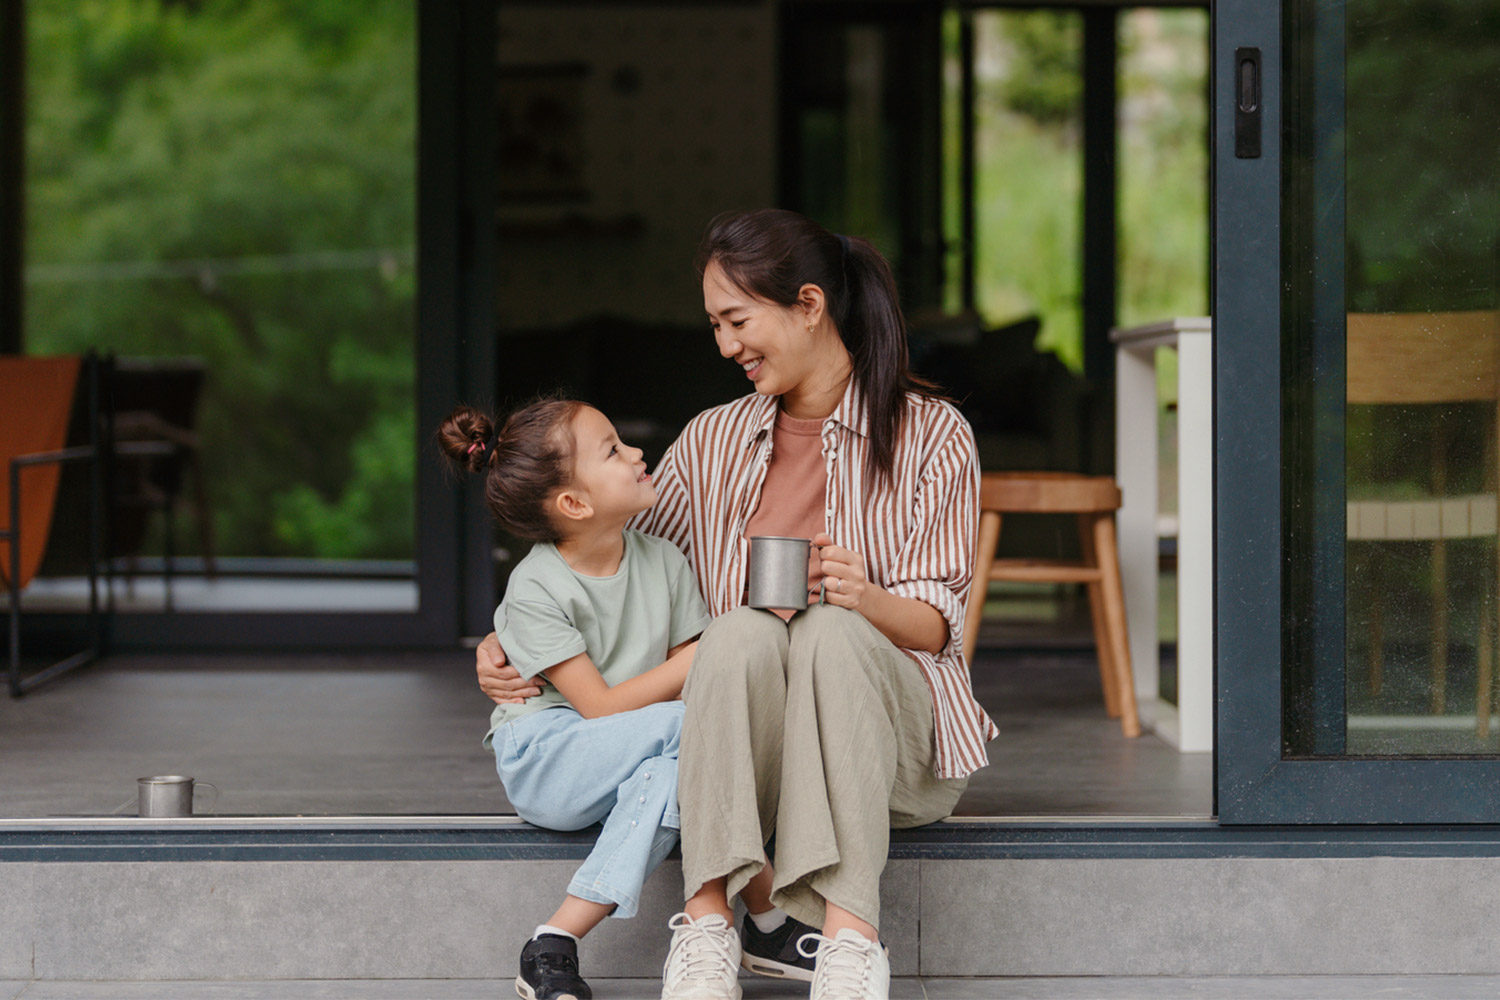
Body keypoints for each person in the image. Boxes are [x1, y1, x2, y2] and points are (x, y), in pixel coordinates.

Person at [477, 209, 998, 1000]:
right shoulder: (713, 440)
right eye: (715, 325)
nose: (725, 346)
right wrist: (508, 637)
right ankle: (708, 927)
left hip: (890, 755)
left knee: (829, 631)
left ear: (810, 306)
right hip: (747, 760)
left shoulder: (933, 435)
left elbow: (938, 627)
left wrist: (865, 597)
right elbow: (596, 549)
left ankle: (852, 937)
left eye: (736, 320)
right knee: (736, 637)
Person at [439, 398, 711, 1000]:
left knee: (674, 774)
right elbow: (605, 708)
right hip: (548, 758)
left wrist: (701, 660)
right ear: (575, 504)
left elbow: (687, 679)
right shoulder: (536, 586)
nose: (638, 453)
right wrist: (718, 647)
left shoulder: (664, 562)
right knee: (700, 727)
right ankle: (768, 910)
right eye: (613, 449)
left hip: (635, 754)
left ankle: (553, 940)